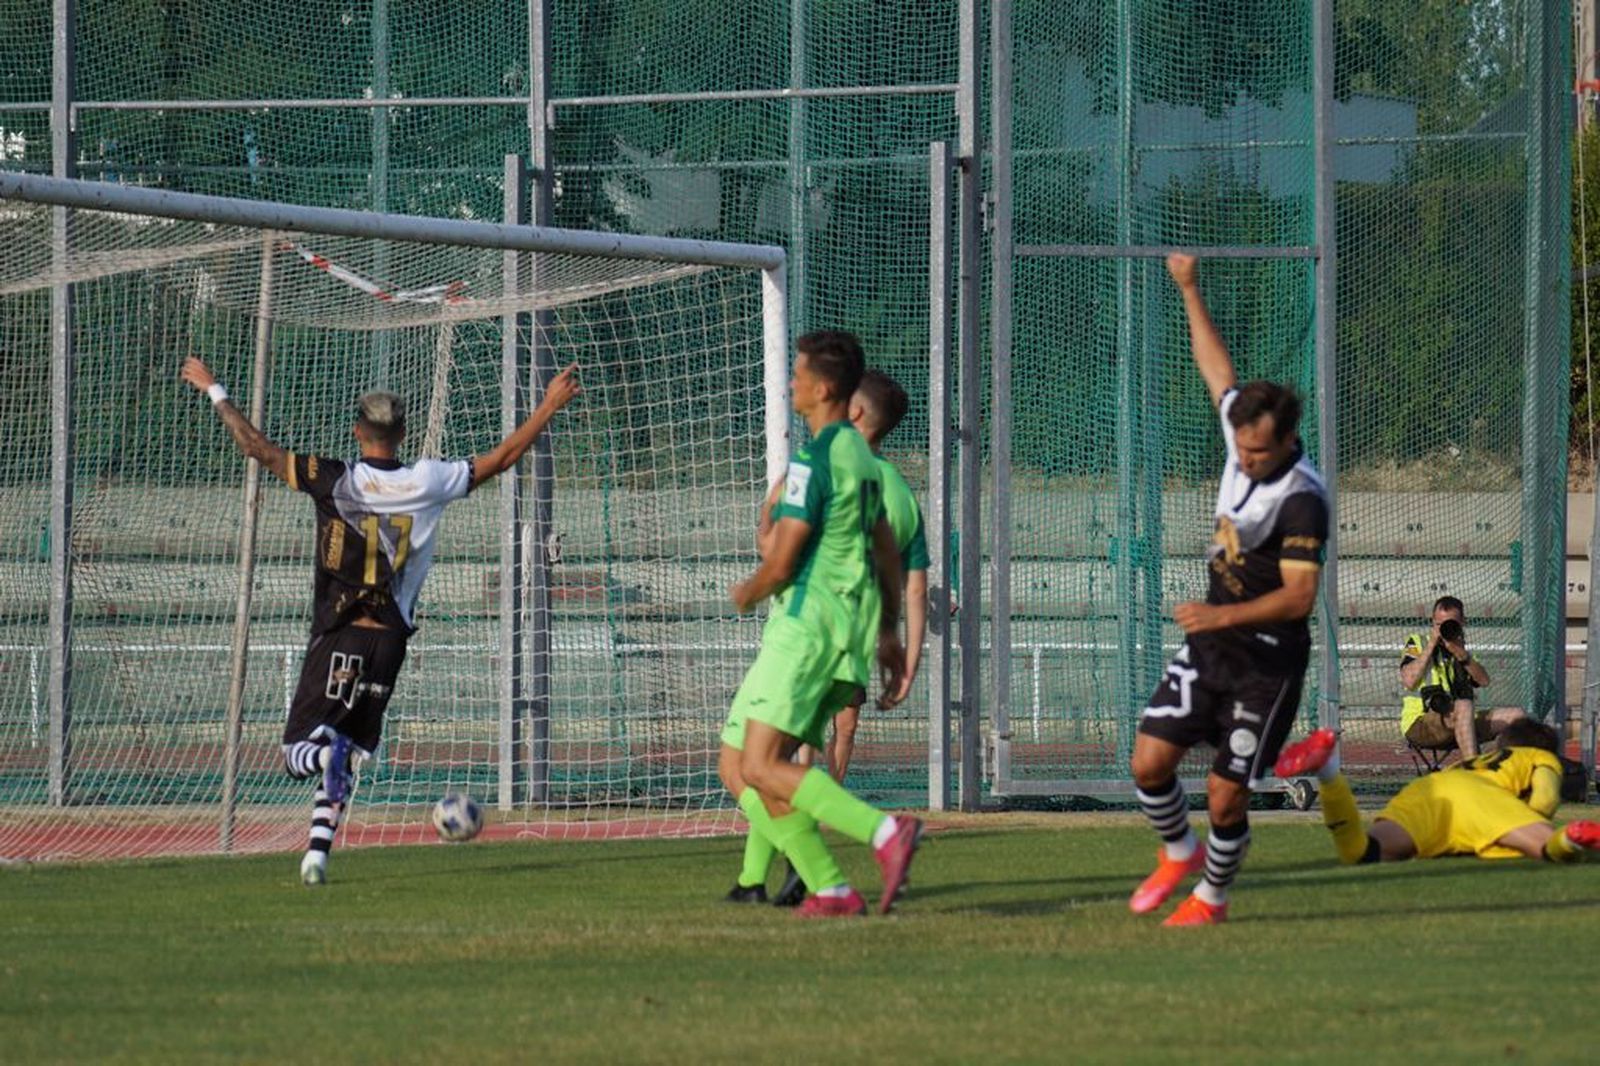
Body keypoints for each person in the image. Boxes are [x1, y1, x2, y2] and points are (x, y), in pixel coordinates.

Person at [180, 356, 581, 885]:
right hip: (390, 640)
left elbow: (254, 446)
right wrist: (548, 405)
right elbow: (503, 458)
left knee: (299, 751)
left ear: (357, 431)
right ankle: (317, 857)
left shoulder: (334, 478)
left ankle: (325, 760)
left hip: (340, 632)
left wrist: (214, 388)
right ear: (404, 433)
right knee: (341, 759)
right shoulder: (429, 479)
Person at [1128, 254, 1330, 927]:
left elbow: (1300, 598)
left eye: (1257, 454)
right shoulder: (1244, 429)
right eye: (1240, 449)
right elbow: (1216, 369)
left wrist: (1223, 615)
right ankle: (1177, 851)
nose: (1244, 461)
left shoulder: (1304, 500)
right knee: (1148, 762)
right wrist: (1188, 287)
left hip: (1267, 661)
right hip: (1213, 645)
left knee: (1224, 798)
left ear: (1289, 439)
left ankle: (1211, 899)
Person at [715, 330, 922, 918]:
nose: (791, 382)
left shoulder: (813, 461)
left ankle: (885, 834)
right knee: (755, 766)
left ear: (824, 388)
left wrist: (747, 591)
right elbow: (886, 549)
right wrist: (885, 635)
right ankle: (829, 887)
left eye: (798, 374)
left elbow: (781, 561)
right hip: (848, 632)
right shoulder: (864, 461)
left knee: (754, 767)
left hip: (807, 627)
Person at [764, 369, 930, 908]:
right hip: (854, 650)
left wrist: (770, 509)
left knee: (759, 764)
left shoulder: (823, 470)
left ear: (854, 413)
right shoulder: (903, 494)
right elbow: (915, 590)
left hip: (807, 639)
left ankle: (847, 853)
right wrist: (907, 664)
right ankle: (801, 877)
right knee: (781, 760)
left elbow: (776, 550)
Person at [1276, 721, 1600, 864]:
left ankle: (1329, 771)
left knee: (1362, 851)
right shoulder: (1538, 756)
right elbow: (1544, 799)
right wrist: (1524, 826)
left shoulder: (1475, 760)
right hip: (1480, 800)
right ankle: (1571, 838)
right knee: (1548, 848)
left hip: (1430, 788)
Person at [1400, 596, 1523, 760]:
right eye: (1439, 624)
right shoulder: (1417, 642)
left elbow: (1483, 681)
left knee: (1517, 716)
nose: (1445, 629)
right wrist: (1432, 645)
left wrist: (1460, 653)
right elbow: (1409, 681)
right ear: (1432, 622)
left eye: (1451, 625)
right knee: (1464, 706)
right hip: (1421, 722)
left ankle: (1497, 766)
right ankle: (1473, 771)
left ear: (1462, 623)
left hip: (1461, 720)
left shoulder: (1461, 649)